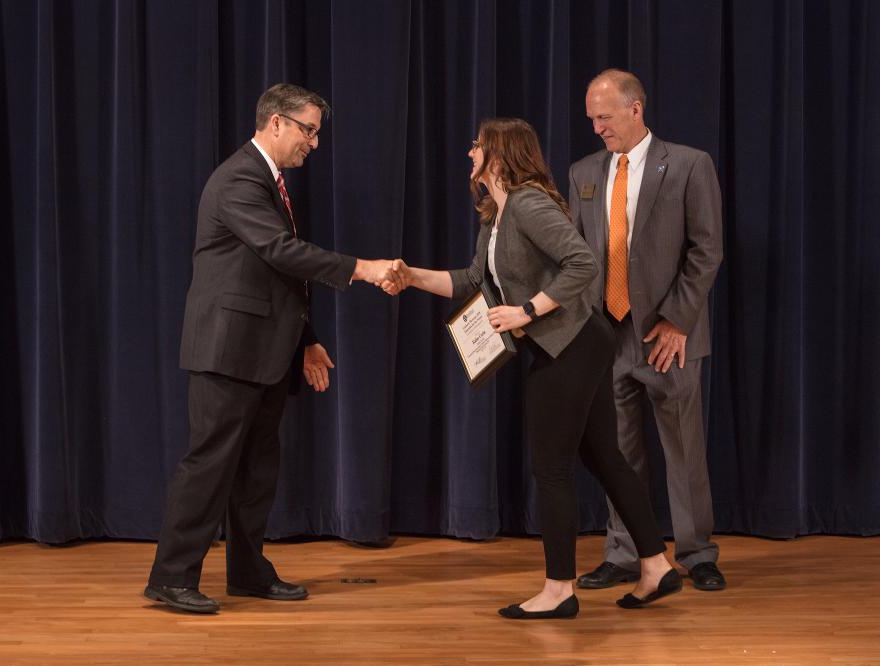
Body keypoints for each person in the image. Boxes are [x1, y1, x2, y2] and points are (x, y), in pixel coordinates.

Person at [383, 118, 681, 619]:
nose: (469, 152)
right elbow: (472, 281)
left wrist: (526, 311)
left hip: (573, 344)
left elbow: (583, 263)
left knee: (552, 468)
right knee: (604, 456)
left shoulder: (527, 203)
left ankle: (559, 589)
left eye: (477, 145)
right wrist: (411, 276)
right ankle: (655, 565)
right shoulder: (495, 215)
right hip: (570, 345)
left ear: (499, 155)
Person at [144, 83, 394, 614]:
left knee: (257, 469)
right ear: (275, 122)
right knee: (210, 464)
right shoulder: (239, 178)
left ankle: (248, 571)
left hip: (263, 351)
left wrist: (308, 341)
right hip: (227, 350)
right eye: (309, 131)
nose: (314, 143)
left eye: (317, 133)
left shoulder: (268, 181)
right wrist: (362, 268)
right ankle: (171, 576)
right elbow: (281, 251)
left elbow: (276, 277)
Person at [569, 69, 725, 592]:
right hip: (606, 337)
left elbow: (706, 250)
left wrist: (677, 320)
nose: (597, 128)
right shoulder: (583, 172)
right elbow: (576, 255)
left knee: (684, 451)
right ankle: (625, 553)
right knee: (618, 454)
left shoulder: (688, 164)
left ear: (635, 109)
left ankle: (697, 554)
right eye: (592, 119)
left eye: (605, 117)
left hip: (667, 337)